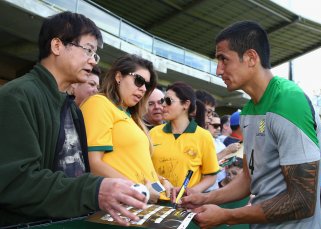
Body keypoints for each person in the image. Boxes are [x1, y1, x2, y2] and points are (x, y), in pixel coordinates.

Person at [0, 12, 146, 227]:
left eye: (95, 54)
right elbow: (15, 182)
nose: (92, 60)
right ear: (57, 46)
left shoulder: (70, 106)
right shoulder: (18, 96)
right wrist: (93, 191)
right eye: (87, 50)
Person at [179, 21, 321, 228]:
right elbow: (248, 178)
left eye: (223, 59)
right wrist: (205, 198)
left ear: (251, 58)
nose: (218, 70)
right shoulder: (248, 111)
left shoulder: (289, 102)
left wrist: (227, 216)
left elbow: (302, 201)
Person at [81, 54, 172, 203]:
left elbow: (136, 164)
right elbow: (94, 164)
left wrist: (162, 181)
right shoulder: (99, 103)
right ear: (118, 77)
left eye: (147, 85)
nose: (143, 89)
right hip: (123, 205)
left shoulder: (131, 116)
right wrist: (138, 189)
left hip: (148, 203)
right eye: (138, 81)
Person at [150, 82, 220, 193]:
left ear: (186, 105)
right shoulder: (153, 133)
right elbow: (145, 167)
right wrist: (162, 181)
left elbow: (210, 176)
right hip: (154, 201)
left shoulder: (203, 136)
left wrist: (190, 192)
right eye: (163, 100)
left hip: (185, 205)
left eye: (169, 101)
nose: (163, 105)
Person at [206, 113, 240, 191]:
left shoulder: (218, 142)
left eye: (219, 126)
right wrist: (227, 151)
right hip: (207, 189)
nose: (218, 128)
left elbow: (222, 163)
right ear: (206, 125)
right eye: (215, 126)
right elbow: (206, 165)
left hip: (220, 186)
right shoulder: (203, 141)